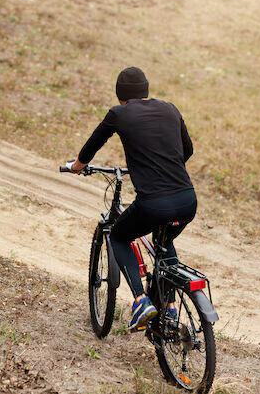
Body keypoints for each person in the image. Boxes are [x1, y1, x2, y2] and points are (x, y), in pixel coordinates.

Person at [66, 67, 197, 331]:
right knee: (165, 240)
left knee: (118, 236)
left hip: (154, 204)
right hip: (187, 199)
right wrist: (165, 166)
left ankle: (141, 301)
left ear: (120, 95)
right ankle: (170, 308)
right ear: (146, 89)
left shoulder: (119, 113)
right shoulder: (170, 109)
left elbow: (94, 143)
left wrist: (78, 165)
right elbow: (188, 149)